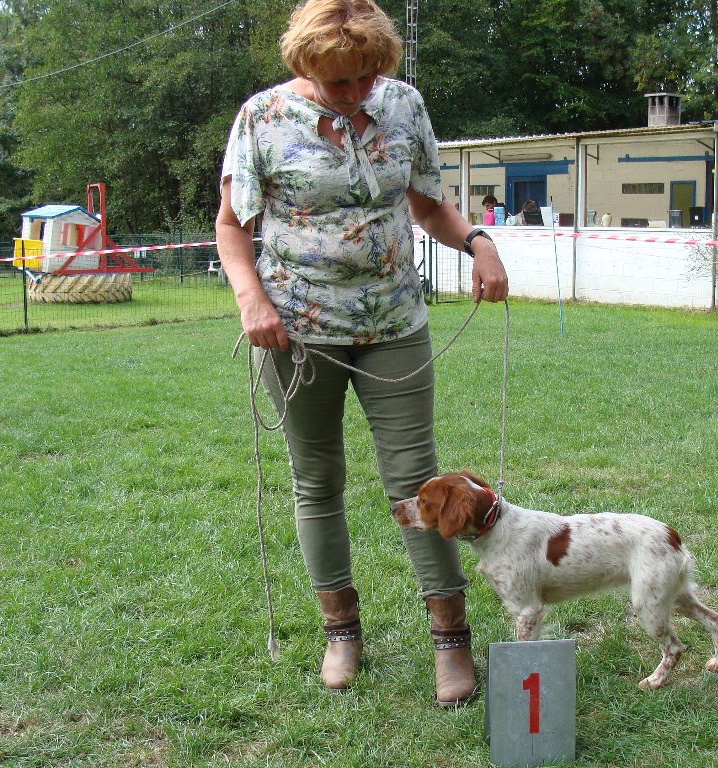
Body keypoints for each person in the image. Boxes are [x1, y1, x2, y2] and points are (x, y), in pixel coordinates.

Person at [215, 0, 508, 705]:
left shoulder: (404, 105)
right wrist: (252, 301)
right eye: (337, 82)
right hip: (295, 329)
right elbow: (231, 226)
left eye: (365, 78)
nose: (353, 95)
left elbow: (429, 204)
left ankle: (450, 639)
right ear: (305, 63)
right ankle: (341, 631)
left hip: (393, 321)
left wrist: (478, 241)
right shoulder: (261, 119)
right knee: (317, 480)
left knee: (416, 483)